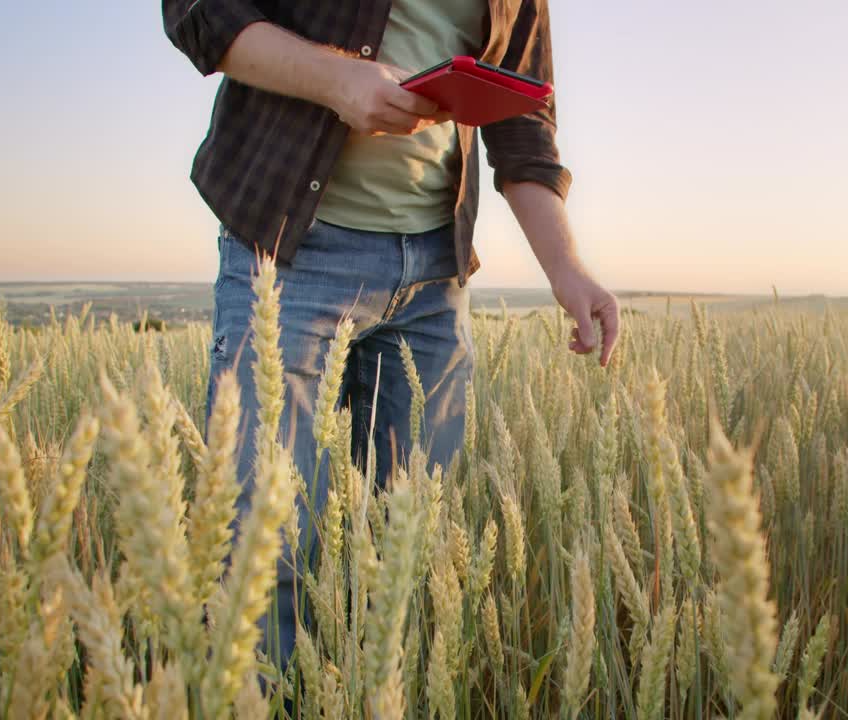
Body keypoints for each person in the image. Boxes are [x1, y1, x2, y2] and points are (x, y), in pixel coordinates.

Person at [162, 0, 619, 668]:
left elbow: (523, 124)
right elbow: (199, 12)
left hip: (435, 275)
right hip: (291, 258)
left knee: (410, 554)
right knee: (264, 556)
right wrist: (336, 80)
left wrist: (568, 269)